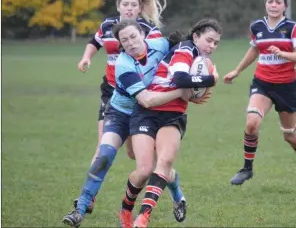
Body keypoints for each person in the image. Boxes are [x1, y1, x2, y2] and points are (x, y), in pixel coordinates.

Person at [62, 19, 196, 228]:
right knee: (104, 155)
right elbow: (146, 99)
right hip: (120, 113)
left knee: (151, 167)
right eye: (125, 40)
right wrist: (184, 91)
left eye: (133, 36)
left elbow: (189, 49)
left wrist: (204, 77)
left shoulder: (160, 44)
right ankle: (79, 210)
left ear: (142, 34)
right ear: (121, 45)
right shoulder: (123, 64)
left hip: (145, 115)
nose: (131, 42)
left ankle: (178, 195)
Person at [73, 0, 174, 214]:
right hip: (112, 93)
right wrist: (86, 58)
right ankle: (88, 199)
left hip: (138, 95)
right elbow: (94, 42)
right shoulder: (107, 25)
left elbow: (162, 54)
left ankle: (173, 189)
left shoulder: (148, 30)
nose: (129, 8)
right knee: (103, 149)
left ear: (139, 8)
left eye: (133, 5)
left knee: (133, 154)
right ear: (118, 6)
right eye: (125, 4)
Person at [129, 18, 222, 228]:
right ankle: (174, 195)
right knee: (146, 170)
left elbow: (186, 87)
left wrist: (195, 93)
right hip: (147, 112)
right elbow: (180, 80)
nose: (212, 46)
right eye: (209, 40)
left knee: (164, 162)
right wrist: (211, 80)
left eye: (216, 43)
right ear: (196, 36)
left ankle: (142, 218)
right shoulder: (185, 49)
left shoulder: (198, 57)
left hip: (173, 114)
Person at [224, 0, 296, 189]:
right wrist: (237, 71)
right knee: (252, 123)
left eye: (278, 2)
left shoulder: (292, 28)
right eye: (270, 1)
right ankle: (247, 168)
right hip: (262, 83)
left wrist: (283, 54)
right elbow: (255, 49)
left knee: (289, 134)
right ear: (265, 4)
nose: (273, 5)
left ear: (285, 6)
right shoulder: (257, 26)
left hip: (287, 87)